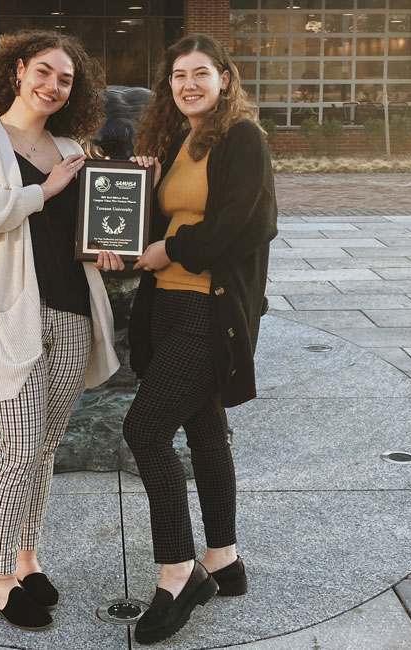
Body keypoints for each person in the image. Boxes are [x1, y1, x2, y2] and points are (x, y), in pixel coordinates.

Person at [0, 30, 125, 632]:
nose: (52, 86)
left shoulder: (73, 146)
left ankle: (27, 559)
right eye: (44, 72)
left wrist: (124, 210)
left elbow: (95, 227)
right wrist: (42, 191)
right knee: (16, 448)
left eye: (66, 79)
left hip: (73, 311)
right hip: (11, 314)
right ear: (18, 70)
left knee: (44, 449)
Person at [123, 34, 278, 644]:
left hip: (208, 309)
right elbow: (166, 219)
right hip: (167, 302)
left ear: (224, 78)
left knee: (144, 430)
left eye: (201, 73)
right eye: (178, 75)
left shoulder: (243, 138)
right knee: (206, 432)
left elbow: (248, 221)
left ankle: (177, 573)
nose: (188, 83)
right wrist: (142, 190)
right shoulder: (180, 141)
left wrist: (173, 247)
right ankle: (223, 559)